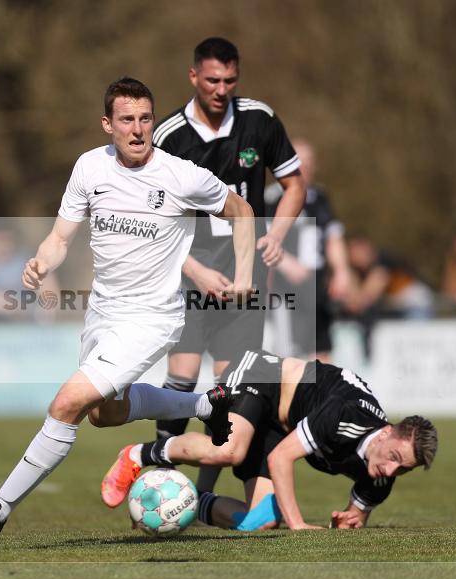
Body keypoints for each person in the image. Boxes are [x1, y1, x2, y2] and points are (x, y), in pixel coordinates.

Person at [0, 77, 256, 541]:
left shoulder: (180, 175)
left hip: (152, 318)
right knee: (104, 415)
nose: (137, 130)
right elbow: (59, 239)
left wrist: (247, 275)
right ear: (107, 124)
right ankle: (203, 404)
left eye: (146, 119)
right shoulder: (90, 168)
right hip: (103, 314)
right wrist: (40, 262)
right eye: (127, 120)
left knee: (67, 403)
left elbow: (243, 211)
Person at [151, 38, 305, 488]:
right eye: (213, 80)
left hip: (245, 280)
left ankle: (198, 497)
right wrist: (195, 271)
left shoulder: (259, 119)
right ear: (194, 76)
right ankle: (159, 475)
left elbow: (294, 185)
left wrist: (275, 234)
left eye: (230, 80)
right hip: (188, 276)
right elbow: (154, 222)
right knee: (180, 379)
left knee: (230, 389)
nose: (222, 89)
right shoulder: (168, 137)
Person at [102, 349, 438, 530]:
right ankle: (138, 454)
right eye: (394, 457)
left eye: (403, 469)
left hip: (279, 424)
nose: (392, 471)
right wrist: (298, 525)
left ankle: (192, 506)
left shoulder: (383, 476)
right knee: (230, 451)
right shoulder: (345, 416)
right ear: (387, 431)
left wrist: (347, 521)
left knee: (261, 521)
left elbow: (354, 518)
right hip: (262, 376)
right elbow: (281, 459)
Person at [266, 139, 351, 361]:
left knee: (322, 354)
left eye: (310, 161)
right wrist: (286, 262)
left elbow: (333, 237)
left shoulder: (320, 197)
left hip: (317, 288)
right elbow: (259, 239)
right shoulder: (272, 199)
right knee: (289, 357)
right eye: (300, 161)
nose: (306, 166)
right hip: (286, 291)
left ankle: (320, 396)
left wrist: (342, 271)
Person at [344, 235, 433, 358]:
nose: (354, 257)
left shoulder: (382, 261)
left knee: (415, 348)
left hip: (414, 306)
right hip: (394, 306)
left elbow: (368, 295)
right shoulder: (356, 269)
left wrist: (354, 300)